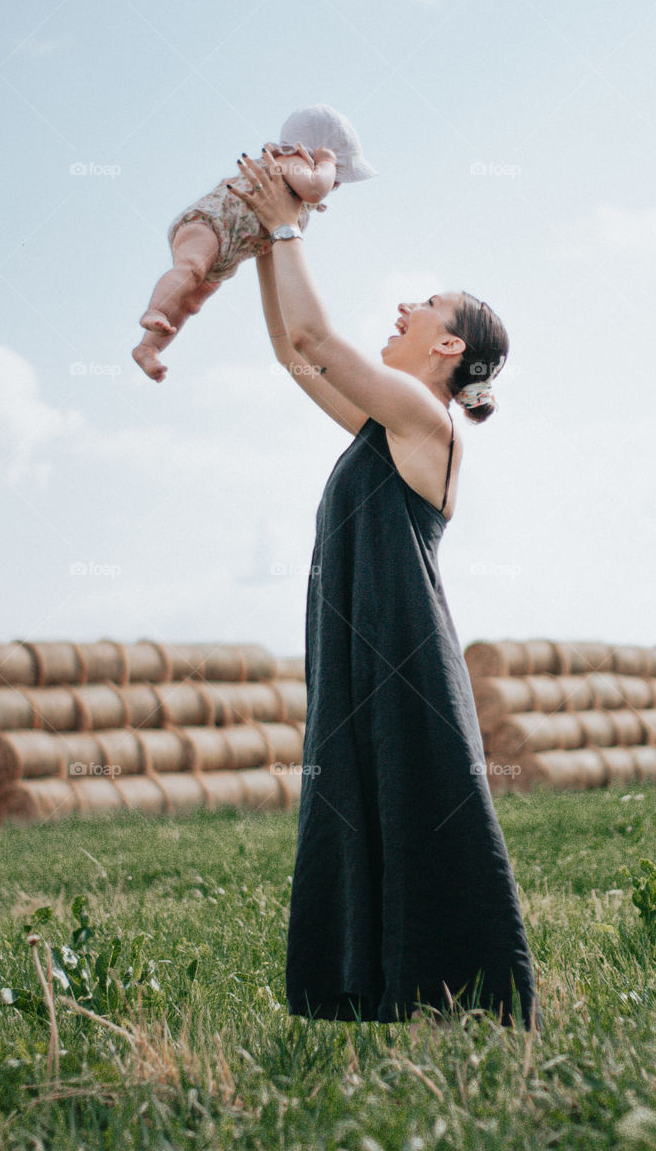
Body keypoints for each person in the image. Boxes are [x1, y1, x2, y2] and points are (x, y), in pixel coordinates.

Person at [230, 151, 543, 1035]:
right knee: (358, 803)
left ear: (446, 349)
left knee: (420, 802)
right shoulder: (387, 418)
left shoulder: (425, 420)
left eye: (426, 307)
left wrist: (286, 224)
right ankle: (370, 994)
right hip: (358, 641)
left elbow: (314, 343)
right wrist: (263, 243)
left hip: (400, 650)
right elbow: (297, 360)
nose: (405, 306)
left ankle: (467, 1001)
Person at [132, 104, 377, 382]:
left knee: (191, 303)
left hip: (228, 251)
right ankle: (156, 309)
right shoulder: (289, 160)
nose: (335, 184)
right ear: (316, 153)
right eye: (337, 175)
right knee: (190, 269)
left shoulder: (294, 188)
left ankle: (148, 348)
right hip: (208, 225)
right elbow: (315, 190)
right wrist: (328, 162)